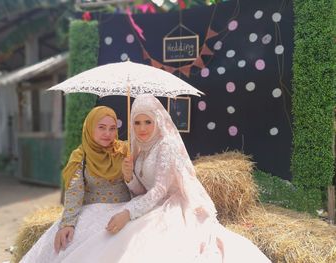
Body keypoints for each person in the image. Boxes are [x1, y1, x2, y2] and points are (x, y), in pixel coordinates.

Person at [104, 94, 271, 262]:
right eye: (137, 123)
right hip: (151, 203)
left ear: (158, 121)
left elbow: (160, 190)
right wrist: (128, 176)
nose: (142, 129)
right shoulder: (140, 150)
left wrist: (129, 212)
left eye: (148, 122)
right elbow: (141, 191)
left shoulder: (166, 145)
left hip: (172, 205)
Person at [20, 106, 132, 262]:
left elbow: (139, 186)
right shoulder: (80, 156)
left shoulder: (126, 151)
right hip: (91, 211)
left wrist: (129, 173)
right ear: (90, 128)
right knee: (69, 246)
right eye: (101, 127)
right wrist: (68, 223)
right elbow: (75, 191)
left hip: (122, 211)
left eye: (112, 128)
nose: (108, 134)